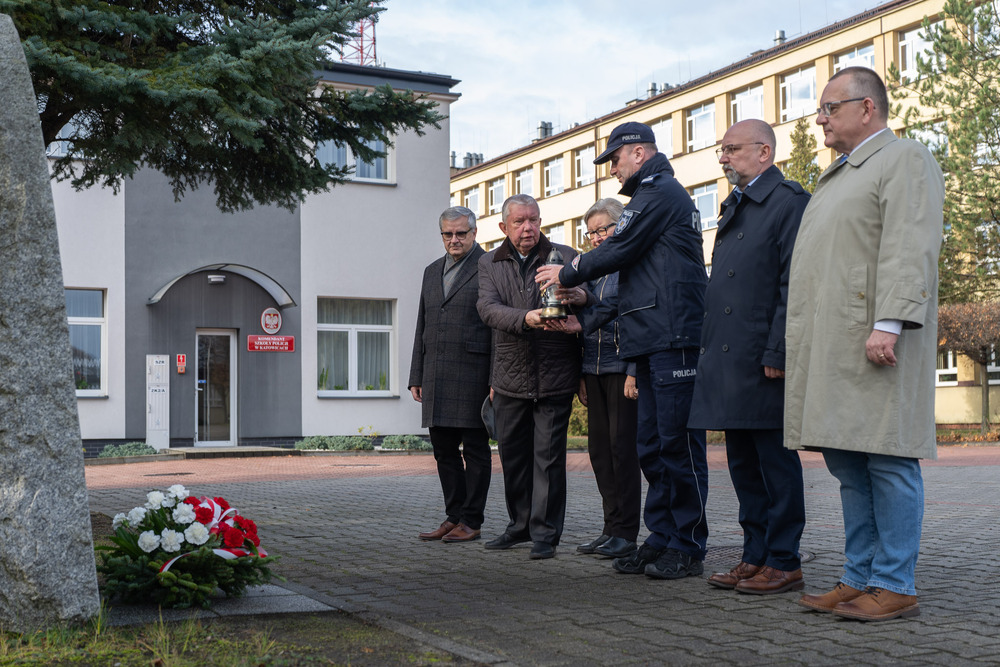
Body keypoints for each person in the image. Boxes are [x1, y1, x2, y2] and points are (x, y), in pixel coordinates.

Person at [785, 67, 944, 621]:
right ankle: (860, 576)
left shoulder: (904, 159)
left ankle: (895, 582)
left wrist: (892, 322)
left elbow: (910, 244)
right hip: (836, 343)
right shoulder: (841, 173)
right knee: (849, 460)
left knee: (889, 457)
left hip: (875, 338)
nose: (820, 118)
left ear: (866, 109)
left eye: (829, 107)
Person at [536, 122, 709, 580]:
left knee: (678, 447)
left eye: (614, 159)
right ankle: (662, 536)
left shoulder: (659, 192)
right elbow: (624, 287)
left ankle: (688, 545)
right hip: (650, 338)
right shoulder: (651, 196)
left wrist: (566, 272)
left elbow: (620, 247)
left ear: (638, 153)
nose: (612, 170)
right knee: (651, 446)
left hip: (673, 337)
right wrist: (584, 317)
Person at [687, 119, 809, 595]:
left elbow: (791, 284)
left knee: (775, 464)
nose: (723, 157)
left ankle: (784, 559)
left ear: (764, 152)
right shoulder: (735, 203)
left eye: (731, 149)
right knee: (741, 463)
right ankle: (754, 554)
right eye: (721, 150)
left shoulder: (788, 202)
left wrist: (778, 348)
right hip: (729, 358)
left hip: (762, 357)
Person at [477, 193, 583, 560]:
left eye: (534, 220)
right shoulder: (489, 263)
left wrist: (579, 295)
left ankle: (545, 534)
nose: (528, 228)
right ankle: (518, 525)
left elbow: (591, 300)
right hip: (508, 376)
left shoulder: (566, 257)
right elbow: (488, 309)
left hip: (555, 373)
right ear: (503, 227)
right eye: (520, 222)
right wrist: (527, 319)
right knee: (514, 457)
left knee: (549, 458)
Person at [546, 198, 642, 560]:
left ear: (622, 226)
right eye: (592, 232)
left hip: (622, 369)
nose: (598, 237)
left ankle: (627, 533)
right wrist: (583, 374)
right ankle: (609, 528)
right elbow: (583, 327)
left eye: (605, 228)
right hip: (595, 370)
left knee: (623, 452)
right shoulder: (590, 270)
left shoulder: (632, 263)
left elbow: (636, 320)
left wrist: (634, 370)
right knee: (600, 454)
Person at [409, 206, 492, 544]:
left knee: (474, 450)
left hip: (475, 374)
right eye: (448, 234)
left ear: (474, 233)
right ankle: (453, 516)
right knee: (443, 450)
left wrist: (495, 377)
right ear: (441, 235)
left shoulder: (489, 266)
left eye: (461, 233)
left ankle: (472, 521)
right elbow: (422, 324)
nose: (454, 239)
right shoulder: (431, 271)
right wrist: (417, 373)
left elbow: (497, 328)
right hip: (437, 375)